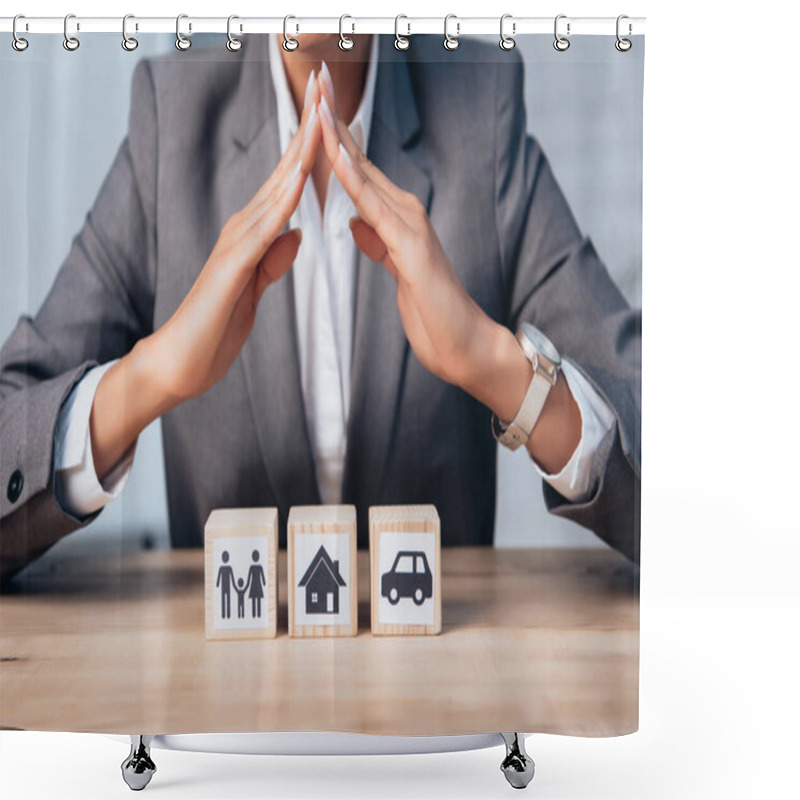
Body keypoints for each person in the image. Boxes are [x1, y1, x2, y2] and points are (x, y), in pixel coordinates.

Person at [0, 34, 640, 582]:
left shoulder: (482, 105)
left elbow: (672, 465)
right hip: (223, 705)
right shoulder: (172, 112)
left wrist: (497, 367)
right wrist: (149, 376)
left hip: (436, 702)